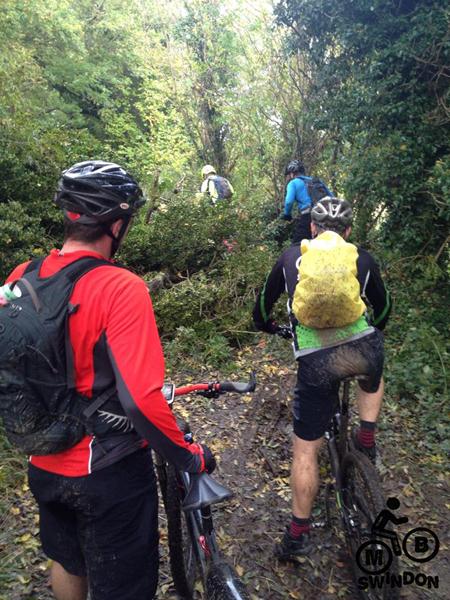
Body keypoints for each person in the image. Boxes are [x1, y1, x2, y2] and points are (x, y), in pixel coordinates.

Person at [6, 160, 215, 600]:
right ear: (117, 225)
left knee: (68, 561)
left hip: (42, 461)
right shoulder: (121, 287)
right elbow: (140, 400)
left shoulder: (20, 277)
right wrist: (188, 457)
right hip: (108, 472)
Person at [253, 197, 392, 560]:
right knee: (373, 369)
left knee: (305, 451)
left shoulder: (290, 257)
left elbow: (262, 308)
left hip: (316, 362)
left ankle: (298, 534)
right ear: (348, 231)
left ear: (312, 228)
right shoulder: (361, 258)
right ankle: (366, 434)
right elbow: (384, 308)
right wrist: (372, 331)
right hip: (361, 350)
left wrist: (268, 325)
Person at [281, 159, 332, 243]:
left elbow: (289, 202)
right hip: (325, 216)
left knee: (297, 244)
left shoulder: (293, 183)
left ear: (292, 173)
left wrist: (287, 215)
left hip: (308, 216)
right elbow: (331, 197)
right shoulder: (317, 181)